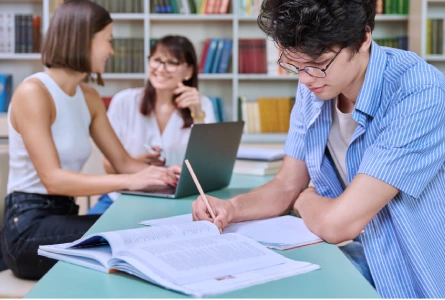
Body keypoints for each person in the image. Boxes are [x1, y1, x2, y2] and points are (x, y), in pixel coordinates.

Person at [192, 0, 445, 298]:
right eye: (293, 65)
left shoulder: (420, 93)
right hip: (361, 257)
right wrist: (231, 208)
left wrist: (303, 200)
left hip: (414, 274)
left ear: (364, 38)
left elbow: (340, 224)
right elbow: (287, 183)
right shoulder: (314, 82)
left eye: (317, 64)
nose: (304, 79)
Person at [0, 0, 180, 280]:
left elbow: (123, 162)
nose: (111, 50)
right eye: (107, 40)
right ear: (83, 39)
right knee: (135, 239)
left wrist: (165, 176)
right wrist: (130, 180)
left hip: (65, 217)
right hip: (28, 229)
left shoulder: (90, 98)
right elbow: (54, 179)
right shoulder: (33, 92)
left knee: (141, 232)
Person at [87, 35, 216, 215]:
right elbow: (108, 165)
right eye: (156, 60)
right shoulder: (124, 101)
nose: (161, 69)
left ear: (188, 71)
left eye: (172, 62)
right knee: (87, 238)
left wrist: (197, 114)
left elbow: (209, 167)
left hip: (179, 200)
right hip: (124, 196)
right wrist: (133, 163)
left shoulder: (203, 105)